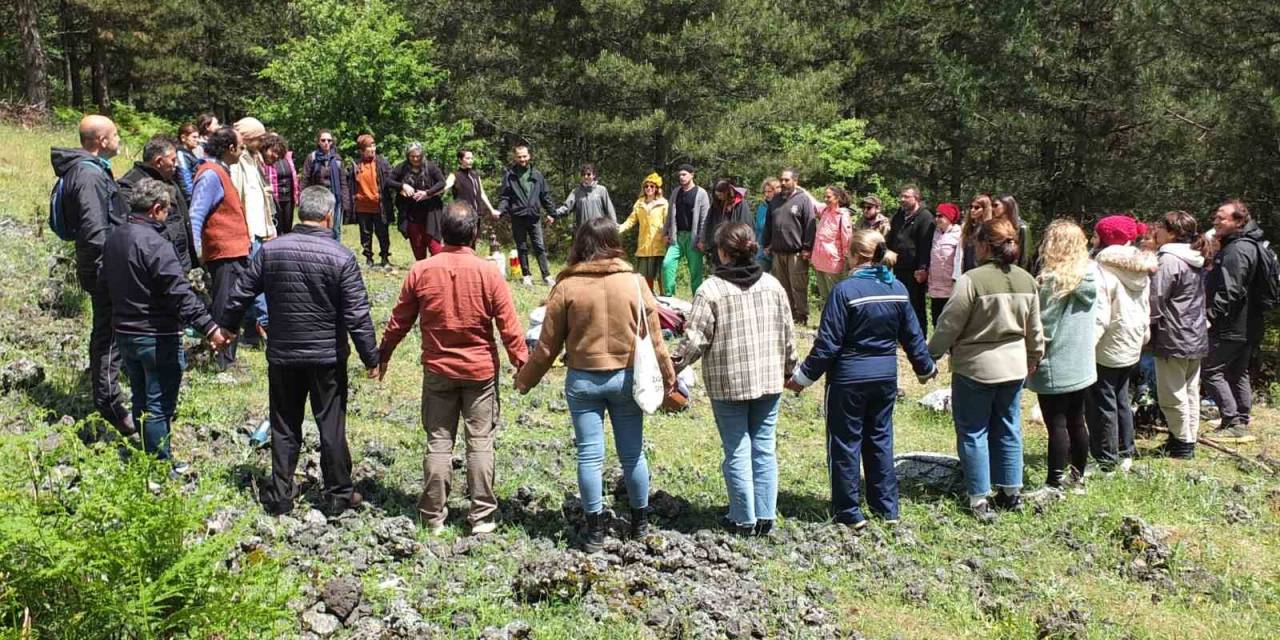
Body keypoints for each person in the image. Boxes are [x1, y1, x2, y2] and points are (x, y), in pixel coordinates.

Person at [516, 218, 677, 553]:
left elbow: (546, 347)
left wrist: (525, 380)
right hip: (626, 378)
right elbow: (657, 340)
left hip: (584, 380)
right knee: (632, 454)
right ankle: (640, 524)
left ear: (582, 244)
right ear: (614, 242)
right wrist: (669, 375)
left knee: (589, 455)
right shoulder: (634, 282)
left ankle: (594, 533)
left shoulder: (566, 286)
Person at [219, 186, 380, 516]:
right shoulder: (341, 257)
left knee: (284, 424)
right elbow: (357, 314)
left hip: (283, 355)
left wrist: (226, 328)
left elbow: (239, 294)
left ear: (300, 214)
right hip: (327, 358)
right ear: (328, 216)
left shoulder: (269, 251)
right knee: (330, 424)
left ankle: (280, 495)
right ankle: (339, 493)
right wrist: (371, 357)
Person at [378, 201, 528, 535]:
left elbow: (398, 321)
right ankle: (482, 516)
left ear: (441, 231)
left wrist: (383, 354)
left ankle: (432, 516)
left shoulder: (421, 271)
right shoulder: (489, 272)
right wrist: (523, 365)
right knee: (480, 442)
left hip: (438, 371)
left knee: (439, 441)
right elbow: (509, 326)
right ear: (474, 232)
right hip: (480, 373)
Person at [788, 228, 936, 527]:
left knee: (845, 443)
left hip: (848, 380)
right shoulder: (897, 288)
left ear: (855, 256)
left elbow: (828, 344)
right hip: (884, 379)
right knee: (880, 440)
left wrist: (802, 378)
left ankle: (849, 512)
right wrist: (925, 369)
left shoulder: (844, 292)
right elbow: (913, 336)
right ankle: (887, 510)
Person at [672, 223, 796, 536]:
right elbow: (788, 334)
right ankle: (765, 517)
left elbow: (695, 339)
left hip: (729, 383)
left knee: (737, 449)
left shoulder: (710, 290)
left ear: (723, 252)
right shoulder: (772, 285)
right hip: (769, 380)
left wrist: (671, 366)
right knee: (764, 449)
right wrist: (790, 369)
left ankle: (743, 519)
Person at [101, 179, 229, 470]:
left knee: (141, 399)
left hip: (125, 332)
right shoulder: (155, 244)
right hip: (156, 335)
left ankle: (149, 461)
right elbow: (179, 292)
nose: (168, 215)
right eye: (167, 210)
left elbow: (104, 281)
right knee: (160, 405)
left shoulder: (115, 237)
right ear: (156, 209)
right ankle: (160, 467)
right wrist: (210, 327)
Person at [928, 218, 1044, 521]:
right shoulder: (1026, 279)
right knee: (1008, 427)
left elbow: (950, 323)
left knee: (973, 430)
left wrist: (931, 354)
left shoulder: (972, 280)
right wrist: (1035, 355)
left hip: (976, 367)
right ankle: (1010, 491)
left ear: (983, 245)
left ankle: (979, 497)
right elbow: (1035, 329)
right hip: (1014, 366)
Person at [50, 114, 132, 435]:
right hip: (105, 268)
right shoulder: (88, 176)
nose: (119, 139)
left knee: (109, 333)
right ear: (101, 141)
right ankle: (111, 404)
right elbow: (94, 230)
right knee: (109, 336)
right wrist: (113, 269)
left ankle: (109, 395)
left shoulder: (90, 171)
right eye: (115, 134)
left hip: (103, 265)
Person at [1025, 220, 1099, 493]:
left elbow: (1044, 327)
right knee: (1077, 420)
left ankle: (1053, 482)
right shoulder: (1089, 276)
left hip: (1055, 362)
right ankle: (1078, 479)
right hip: (1081, 363)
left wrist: (1032, 356)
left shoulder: (1052, 281)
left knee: (1055, 424)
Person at [1087, 215, 1155, 472]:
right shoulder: (1140, 268)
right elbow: (1146, 305)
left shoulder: (1102, 268)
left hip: (1108, 341)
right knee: (1121, 396)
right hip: (1132, 340)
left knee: (1102, 401)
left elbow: (1100, 313)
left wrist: (1087, 345)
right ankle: (1126, 451)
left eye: (1096, 234)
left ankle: (1106, 459)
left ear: (1105, 238)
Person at [1203, 199, 1267, 443]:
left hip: (1233, 324)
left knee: (1211, 370)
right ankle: (1241, 417)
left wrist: (1211, 316)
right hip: (1248, 323)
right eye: (1216, 217)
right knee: (1237, 372)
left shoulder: (1237, 250)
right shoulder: (1247, 245)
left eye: (1222, 218)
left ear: (1239, 222)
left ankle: (1233, 422)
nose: (1216, 221)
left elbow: (1230, 290)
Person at [189, 126, 253, 370]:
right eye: (241, 146)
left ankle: (228, 358)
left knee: (233, 305)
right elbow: (196, 215)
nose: (242, 151)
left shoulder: (220, 171)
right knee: (225, 306)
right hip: (223, 253)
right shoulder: (210, 175)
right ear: (230, 148)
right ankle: (220, 361)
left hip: (234, 251)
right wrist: (198, 255)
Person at [1148, 211, 1208, 458]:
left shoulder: (1169, 260)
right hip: (1195, 333)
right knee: (1190, 390)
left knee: (1172, 393)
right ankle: (1186, 438)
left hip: (1174, 334)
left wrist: (1146, 326)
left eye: (1160, 227)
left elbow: (1156, 298)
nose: (1156, 232)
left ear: (1171, 232)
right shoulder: (1194, 258)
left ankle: (1182, 444)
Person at [117, 135, 197, 273]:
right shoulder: (131, 185)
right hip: (158, 266)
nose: (176, 164)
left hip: (180, 263)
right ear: (159, 161)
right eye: (173, 160)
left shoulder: (168, 179)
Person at [763, 169, 818, 325]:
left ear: (795, 181)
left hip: (797, 253)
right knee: (782, 287)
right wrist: (766, 243)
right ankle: (788, 315)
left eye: (787, 180)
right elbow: (769, 224)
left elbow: (810, 225)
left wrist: (807, 248)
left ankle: (801, 316)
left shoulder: (803, 200)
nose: (783, 183)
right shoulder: (775, 200)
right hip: (778, 251)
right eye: (781, 180)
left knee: (798, 286)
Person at [497, 143, 557, 286]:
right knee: (521, 246)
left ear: (529, 156)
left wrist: (552, 213)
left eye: (524, 156)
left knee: (539, 246)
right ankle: (526, 275)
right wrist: (500, 211)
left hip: (534, 216)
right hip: (518, 216)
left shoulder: (537, 175)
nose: (522, 159)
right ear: (515, 158)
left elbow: (545, 196)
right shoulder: (510, 176)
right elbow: (505, 197)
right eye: (519, 157)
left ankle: (546, 275)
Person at [887, 185, 934, 338]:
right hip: (898, 267)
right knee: (900, 301)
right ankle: (902, 335)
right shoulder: (899, 215)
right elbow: (892, 237)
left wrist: (922, 268)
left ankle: (919, 336)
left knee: (916, 304)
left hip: (915, 270)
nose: (902, 199)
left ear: (916, 198)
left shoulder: (925, 217)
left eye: (907, 196)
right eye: (902, 196)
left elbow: (926, 245)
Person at [344, 134, 398, 267]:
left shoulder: (382, 163)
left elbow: (392, 180)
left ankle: (385, 257)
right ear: (362, 150)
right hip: (362, 206)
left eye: (374, 146)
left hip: (380, 206)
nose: (373, 149)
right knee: (365, 234)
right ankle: (369, 259)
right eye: (369, 147)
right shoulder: (355, 165)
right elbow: (348, 183)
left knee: (383, 233)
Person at [392, 142, 448, 260]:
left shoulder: (430, 166)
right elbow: (388, 181)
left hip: (431, 214)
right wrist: (402, 186)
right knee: (418, 250)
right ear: (408, 156)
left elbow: (442, 182)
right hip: (411, 215)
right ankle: (422, 273)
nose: (416, 159)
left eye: (418, 156)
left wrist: (428, 193)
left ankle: (438, 272)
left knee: (436, 249)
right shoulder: (402, 167)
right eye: (412, 156)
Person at [662, 164, 711, 296]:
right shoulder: (676, 192)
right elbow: (670, 214)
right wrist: (666, 233)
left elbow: (705, 219)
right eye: (680, 175)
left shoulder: (701, 193)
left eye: (684, 174)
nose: (682, 177)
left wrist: (701, 239)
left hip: (693, 238)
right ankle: (669, 296)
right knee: (667, 264)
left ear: (692, 174)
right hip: (677, 236)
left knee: (695, 272)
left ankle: (698, 300)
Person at [618, 173, 669, 293]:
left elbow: (668, 222)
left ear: (656, 188)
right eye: (646, 186)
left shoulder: (664, 203)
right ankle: (648, 299)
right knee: (645, 277)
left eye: (652, 186)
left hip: (659, 246)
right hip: (644, 247)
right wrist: (620, 228)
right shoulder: (639, 203)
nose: (649, 189)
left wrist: (667, 234)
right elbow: (631, 220)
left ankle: (665, 298)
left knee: (661, 276)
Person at [230, 118, 278, 245]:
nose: (263, 143)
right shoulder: (237, 161)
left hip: (260, 228)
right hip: (249, 231)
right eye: (260, 139)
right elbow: (236, 195)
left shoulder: (254, 158)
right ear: (247, 138)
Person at [811, 186, 854, 302]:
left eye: (828, 196)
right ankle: (827, 319)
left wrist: (848, 263)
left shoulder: (842, 215)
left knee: (835, 297)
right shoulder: (825, 210)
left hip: (833, 264)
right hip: (819, 262)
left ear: (837, 198)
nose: (825, 199)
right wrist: (798, 188)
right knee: (825, 297)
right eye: (825, 196)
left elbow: (847, 240)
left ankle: (838, 319)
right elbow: (813, 202)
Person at [301, 129, 346, 238]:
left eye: (329, 140)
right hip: (318, 197)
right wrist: (302, 197)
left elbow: (343, 182)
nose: (326, 143)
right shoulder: (312, 158)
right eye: (323, 140)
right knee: (318, 227)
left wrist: (346, 202)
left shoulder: (337, 159)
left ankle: (336, 250)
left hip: (335, 197)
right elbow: (306, 178)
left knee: (335, 228)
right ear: (318, 142)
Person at [703, 178, 752, 269]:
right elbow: (709, 223)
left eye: (721, 195)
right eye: (717, 195)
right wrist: (705, 241)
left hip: (734, 246)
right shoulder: (716, 205)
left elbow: (746, 225)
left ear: (728, 192)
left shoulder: (741, 204)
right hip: (719, 247)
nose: (719, 197)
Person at [926, 202, 962, 327]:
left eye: (941, 216)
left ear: (950, 217)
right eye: (936, 216)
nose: (937, 219)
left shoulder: (959, 234)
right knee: (937, 321)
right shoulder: (934, 233)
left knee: (951, 324)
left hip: (951, 287)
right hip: (935, 287)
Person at [553, 163, 617, 230]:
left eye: (588, 174)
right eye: (583, 174)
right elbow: (566, 208)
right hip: (583, 232)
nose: (586, 176)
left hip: (599, 231)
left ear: (594, 175)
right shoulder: (576, 192)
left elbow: (610, 210)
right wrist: (553, 214)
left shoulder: (601, 190)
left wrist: (615, 225)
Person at [261, 133, 300, 235]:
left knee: (287, 227)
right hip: (273, 196)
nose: (276, 155)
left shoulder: (288, 157)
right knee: (276, 226)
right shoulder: (264, 160)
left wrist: (296, 194)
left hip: (288, 197)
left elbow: (294, 176)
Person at [954, 194, 994, 277]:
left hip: (982, 273)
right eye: (971, 207)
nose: (972, 210)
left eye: (977, 207)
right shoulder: (967, 227)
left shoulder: (990, 229)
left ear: (985, 209)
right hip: (966, 272)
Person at [992, 195, 1033, 271]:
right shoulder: (995, 227)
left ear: (1007, 205)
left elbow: (1025, 257)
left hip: (1015, 272)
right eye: (991, 206)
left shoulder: (1022, 227)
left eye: (995, 205)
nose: (992, 209)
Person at [754, 178, 779, 271]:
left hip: (777, 251)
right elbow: (758, 228)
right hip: (762, 251)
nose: (766, 194)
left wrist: (771, 246)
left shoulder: (781, 207)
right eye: (765, 191)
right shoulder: (762, 207)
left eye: (769, 191)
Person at [175, 123, 200, 199]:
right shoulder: (181, 155)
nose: (197, 140)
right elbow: (184, 179)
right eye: (194, 137)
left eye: (198, 137)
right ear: (183, 138)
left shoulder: (188, 153)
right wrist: (193, 198)